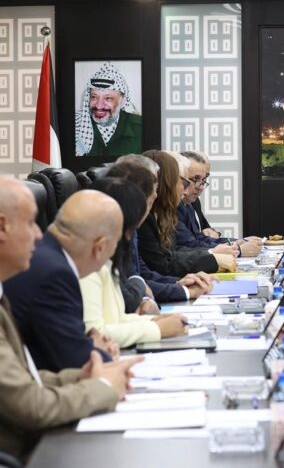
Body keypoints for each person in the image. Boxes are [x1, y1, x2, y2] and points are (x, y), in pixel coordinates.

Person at [0, 178, 142, 461]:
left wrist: (80, 377)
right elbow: (31, 407)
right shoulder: (51, 272)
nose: (39, 235)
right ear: (2, 227)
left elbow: (21, 381)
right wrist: (102, 387)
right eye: (30, 223)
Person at [4, 190, 123, 372]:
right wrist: (101, 354)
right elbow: (78, 362)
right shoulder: (55, 274)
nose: (38, 233)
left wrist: (87, 343)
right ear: (100, 247)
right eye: (30, 223)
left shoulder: (47, 258)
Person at [80, 177, 188, 348]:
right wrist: (157, 329)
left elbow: (115, 319)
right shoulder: (86, 266)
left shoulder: (103, 258)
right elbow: (95, 335)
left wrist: (155, 321)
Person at [106, 159, 213, 313]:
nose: (156, 194)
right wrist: (184, 290)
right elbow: (132, 285)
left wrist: (179, 283)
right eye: (184, 182)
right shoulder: (119, 230)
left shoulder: (132, 227)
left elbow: (142, 275)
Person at [137, 150, 236, 277]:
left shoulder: (174, 209)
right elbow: (161, 265)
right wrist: (212, 255)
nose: (187, 191)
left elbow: (172, 253)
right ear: (166, 183)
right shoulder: (143, 218)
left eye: (204, 179)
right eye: (185, 183)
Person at [176, 151, 262, 256]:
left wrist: (235, 242)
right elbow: (189, 245)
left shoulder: (191, 203)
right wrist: (237, 250)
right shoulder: (173, 206)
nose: (201, 187)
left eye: (204, 179)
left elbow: (199, 238)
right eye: (195, 179)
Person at [75, 62, 141, 156]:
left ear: (122, 101)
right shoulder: (78, 125)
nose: (99, 106)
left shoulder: (140, 127)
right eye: (94, 97)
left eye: (108, 98)